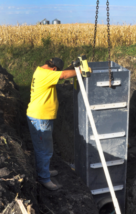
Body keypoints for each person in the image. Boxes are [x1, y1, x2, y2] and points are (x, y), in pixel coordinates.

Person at [26, 57, 89, 191]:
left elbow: (62, 74)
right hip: (40, 118)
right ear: (54, 69)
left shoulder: (41, 71)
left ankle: (45, 171)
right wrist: (82, 70)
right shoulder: (45, 75)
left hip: (40, 116)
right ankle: (44, 178)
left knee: (44, 148)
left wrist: (72, 66)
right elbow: (65, 75)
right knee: (44, 150)